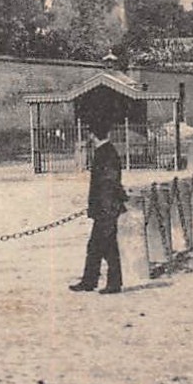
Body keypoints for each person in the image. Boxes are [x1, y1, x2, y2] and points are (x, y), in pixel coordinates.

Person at [70, 119, 127, 294]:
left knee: (106, 247)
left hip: (106, 209)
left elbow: (109, 183)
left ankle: (111, 283)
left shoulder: (105, 153)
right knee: (97, 246)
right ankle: (91, 281)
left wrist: (105, 209)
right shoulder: (106, 151)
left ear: (92, 135)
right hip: (105, 208)